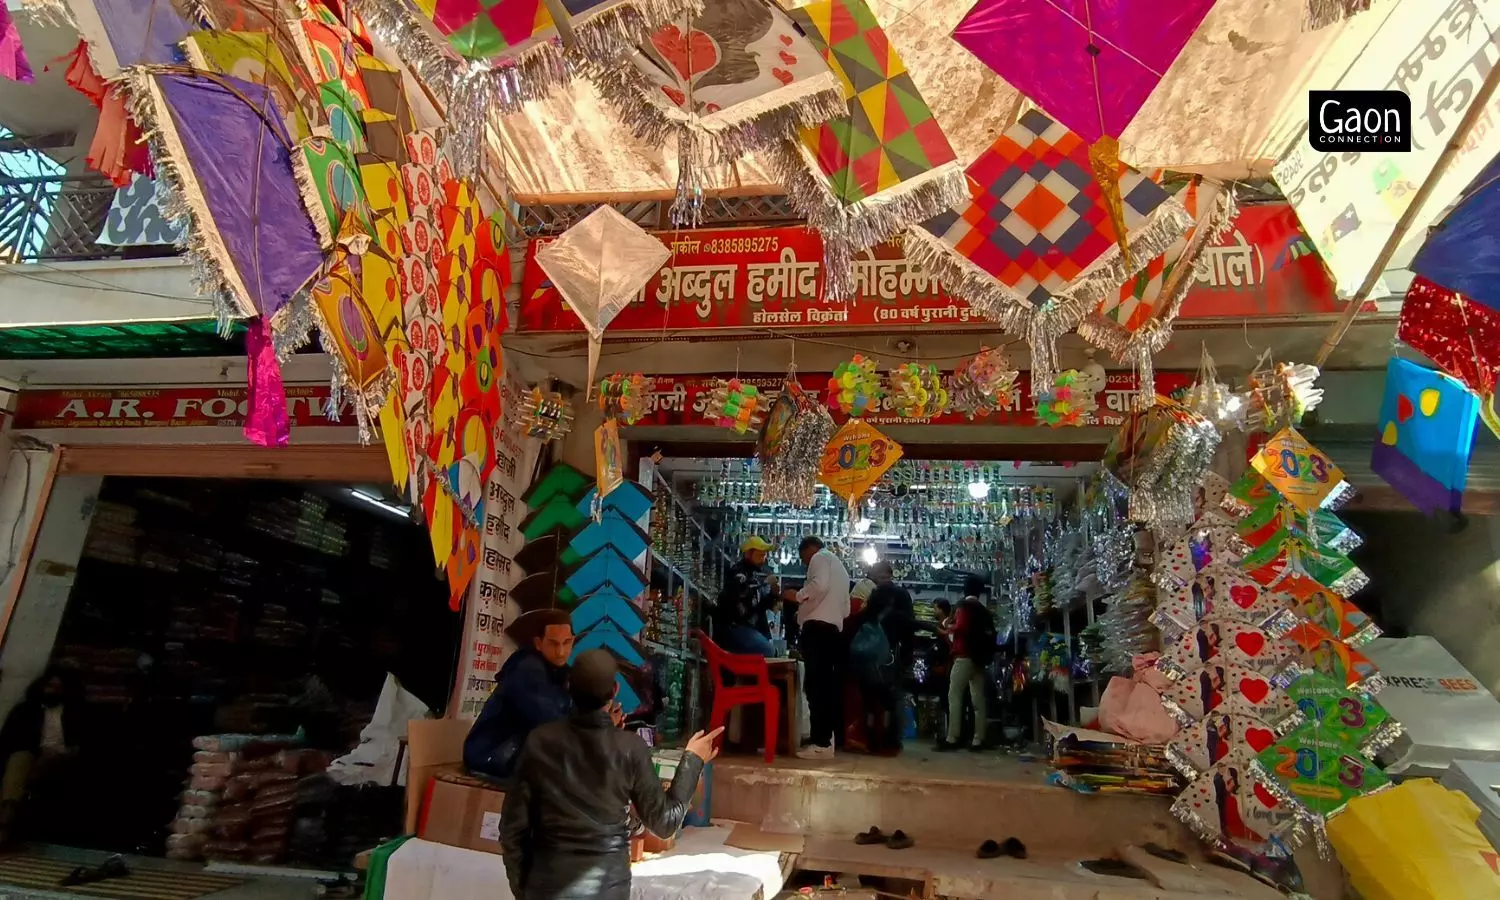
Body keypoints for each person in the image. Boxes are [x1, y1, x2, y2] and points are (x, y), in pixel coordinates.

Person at [501, 650, 722, 900]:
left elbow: (511, 830)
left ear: (568, 686)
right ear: (615, 690)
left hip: (546, 886)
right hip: (608, 889)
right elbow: (665, 823)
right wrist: (692, 760)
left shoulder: (539, 742)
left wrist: (524, 889)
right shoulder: (630, 748)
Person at [464, 609, 576, 781]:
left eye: (566, 643)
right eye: (553, 643)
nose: (561, 651)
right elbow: (547, 720)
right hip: (491, 754)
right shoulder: (528, 669)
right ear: (538, 643)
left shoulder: (559, 671)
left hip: (509, 751)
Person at [0, 667, 86, 843]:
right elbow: (10, 739)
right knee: (19, 759)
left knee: (43, 764)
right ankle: (6, 816)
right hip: (33, 755)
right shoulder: (26, 710)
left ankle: (7, 824)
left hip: (62, 757)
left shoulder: (76, 713)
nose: (53, 691)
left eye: (58, 687)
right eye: (50, 686)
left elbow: (84, 742)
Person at [789, 536, 851, 760]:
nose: (805, 563)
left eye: (803, 557)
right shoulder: (841, 570)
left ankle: (820, 743)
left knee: (816, 686)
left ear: (808, 549)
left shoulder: (820, 557)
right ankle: (827, 739)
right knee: (826, 686)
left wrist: (798, 596)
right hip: (833, 630)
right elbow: (846, 610)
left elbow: (819, 586)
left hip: (818, 629)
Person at [849, 562, 915, 754]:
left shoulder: (876, 594)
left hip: (871, 655)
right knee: (892, 701)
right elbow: (909, 627)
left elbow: (862, 620)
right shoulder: (902, 595)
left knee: (870, 700)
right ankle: (891, 742)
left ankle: (871, 740)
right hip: (894, 654)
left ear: (882, 574)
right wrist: (908, 655)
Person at [937, 577, 995, 752]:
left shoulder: (963, 606)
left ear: (964, 589)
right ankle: (978, 739)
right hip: (980, 659)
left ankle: (953, 737)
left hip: (963, 657)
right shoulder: (984, 611)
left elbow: (960, 627)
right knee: (978, 700)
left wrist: (947, 627)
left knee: (954, 695)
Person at [711, 536, 779, 657]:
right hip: (734, 628)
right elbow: (744, 596)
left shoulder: (753, 576)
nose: (764, 559)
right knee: (768, 651)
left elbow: (760, 604)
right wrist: (766, 585)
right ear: (748, 554)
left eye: (764, 555)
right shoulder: (738, 573)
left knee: (772, 652)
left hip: (748, 629)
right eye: (760, 555)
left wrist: (773, 595)